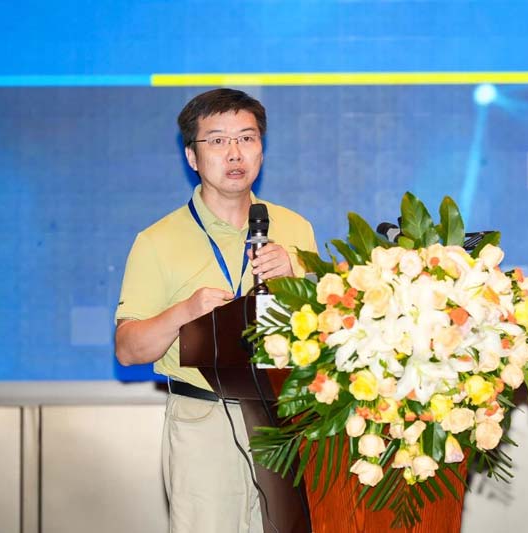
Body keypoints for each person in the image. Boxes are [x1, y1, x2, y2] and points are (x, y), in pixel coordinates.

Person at [114, 88, 317, 533]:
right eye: (218, 140)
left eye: (247, 138)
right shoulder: (157, 241)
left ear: (261, 149)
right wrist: (184, 312)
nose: (235, 153)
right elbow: (128, 350)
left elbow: (323, 336)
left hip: (284, 424)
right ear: (192, 156)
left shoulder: (295, 228)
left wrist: (297, 282)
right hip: (203, 423)